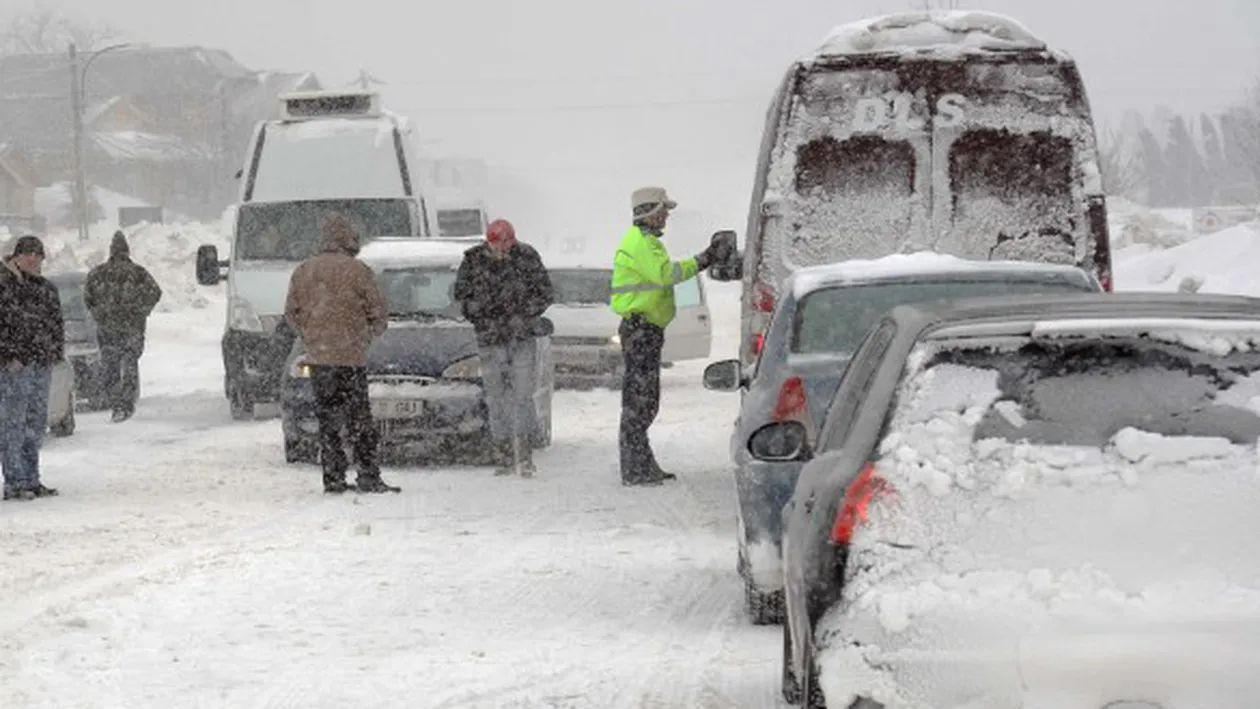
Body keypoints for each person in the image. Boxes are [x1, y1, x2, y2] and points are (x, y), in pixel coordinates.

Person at [610, 187, 724, 486]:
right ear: (650, 211)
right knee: (640, 400)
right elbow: (665, 275)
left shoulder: (644, 242)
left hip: (644, 329)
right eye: (663, 210)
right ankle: (635, 468)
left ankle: (641, 463)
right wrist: (704, 259)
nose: (667, 216)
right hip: (641, 329)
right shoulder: (642, 244)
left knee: (643, 399)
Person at [284, 214, 398, 494]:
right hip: (351, 358)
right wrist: (365, 336)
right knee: (360, 419)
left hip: (319, 358)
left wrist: (311, 336)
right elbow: (378, 312)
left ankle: (333, 477)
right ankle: (368, 475)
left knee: (328, 421)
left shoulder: (304, 271)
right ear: (349, 239)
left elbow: (291, 313)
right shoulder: (358, 271)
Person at [452, 218, 554, 477]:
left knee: (522, 397)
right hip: (489, 338)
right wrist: (477, 313)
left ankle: (525, 453)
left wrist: (526, 315)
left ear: (513, 240)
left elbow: (545, 292)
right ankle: (503, 454)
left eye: (506, 244)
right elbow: (461, 294)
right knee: (496, 399)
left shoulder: (527, 257)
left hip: (521, 338)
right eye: (497, 245)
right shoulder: (474, 260)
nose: (502, 250)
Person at [0, 236, 63, 500]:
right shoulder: (5, 286)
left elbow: (56, 323)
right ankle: (14, 481)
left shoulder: (46, 288)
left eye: (38, 255)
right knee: (13, 423)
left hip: (41, 362)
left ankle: (31, 478)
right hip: (15, 366)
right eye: (28, 255)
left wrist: (55, 352)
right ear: (16, 256)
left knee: (35, 423)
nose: (34, 260)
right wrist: (9, 354)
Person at [83, 230, 163, 422]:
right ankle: (126, 403)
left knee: (110, 365)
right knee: (129, 363)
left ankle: (115, 402)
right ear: (127, 251)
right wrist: (141, 311)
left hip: (107, 328)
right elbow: (156, 292)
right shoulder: (138, 273)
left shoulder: (97, 273)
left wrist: (99, 314)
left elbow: (87, 297)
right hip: (132, 328)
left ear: (111, 251)